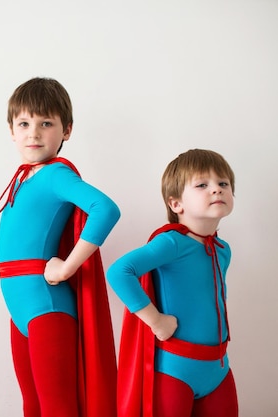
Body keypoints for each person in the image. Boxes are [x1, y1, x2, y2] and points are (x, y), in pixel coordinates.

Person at [0, 77, 120, 417]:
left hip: (46, 306)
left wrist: (67, 267)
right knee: (33, 406)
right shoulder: (24, 178)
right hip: (21, 309)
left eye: (45, 123)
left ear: (67, 130)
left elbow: (105, 209)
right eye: (24, 123)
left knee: (57, 409)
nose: (33, 133)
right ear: (11, 130)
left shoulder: (54, 175)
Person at [107, 149, 239, 417]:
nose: (217, 190)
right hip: (174, 370)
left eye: (223, 184)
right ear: (176, 204)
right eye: (203, 185)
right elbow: (119, 271)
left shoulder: (222, 249)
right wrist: (155, 321)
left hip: (218, 368)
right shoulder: (172, 243)